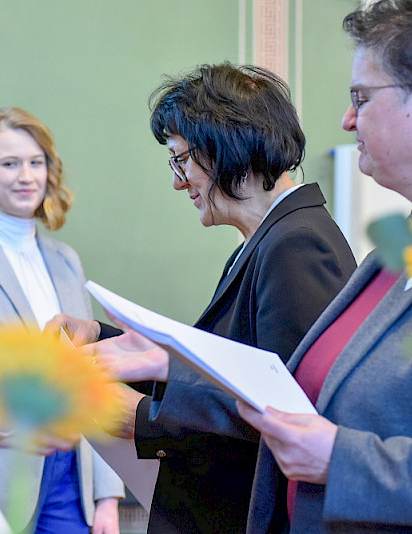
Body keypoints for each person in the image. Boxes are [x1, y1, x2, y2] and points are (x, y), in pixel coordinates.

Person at [72, 1, 412, 531]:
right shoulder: (384, 251)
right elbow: (266, 373)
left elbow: (289, 400)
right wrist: (153, 354)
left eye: (361, 99)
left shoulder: (299, 244)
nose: (346, 119)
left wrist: (146, 411)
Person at [47, 63, 357, 533]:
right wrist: (100, 336)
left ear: (223, 147)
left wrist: (142, 419)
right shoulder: (268, 240)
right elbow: (219, 371)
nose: (177, 181)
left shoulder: (296, 244)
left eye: (181, 160)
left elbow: (282, 412)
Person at [0, 107, 125, 534]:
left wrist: (108, 498)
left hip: (72, 474)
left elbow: (93, 377)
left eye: (36, 162)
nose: (26, 176)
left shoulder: (66, 260)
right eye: (9, 163)